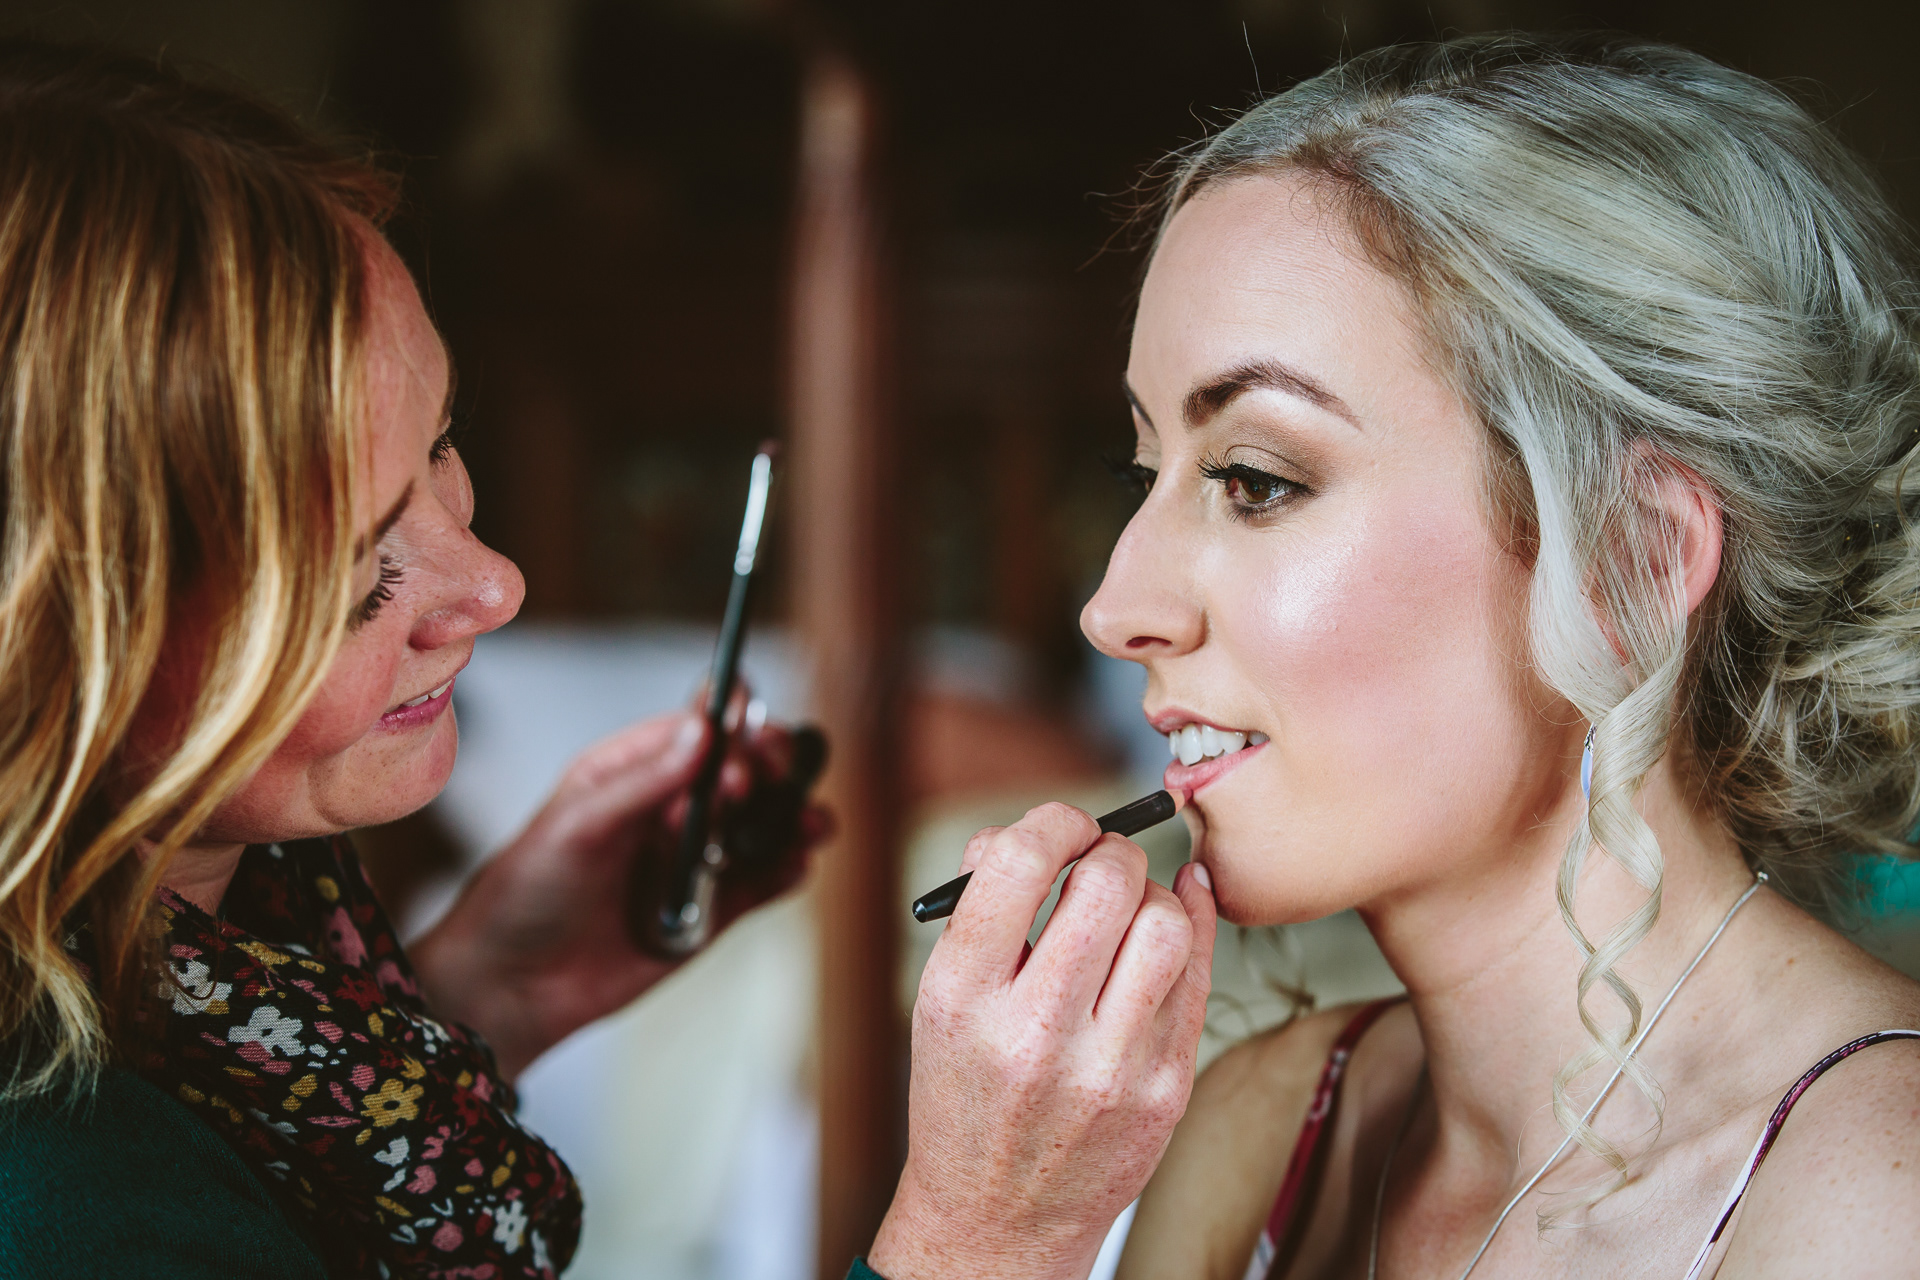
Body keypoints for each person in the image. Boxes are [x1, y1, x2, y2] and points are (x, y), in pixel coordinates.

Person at [857, 33, 1920, 1280]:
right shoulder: (1256, 1130)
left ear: (1628, 560)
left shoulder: (1869, 1195)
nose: (1114, 606)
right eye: (1142, 474)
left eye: (1253, 479)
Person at [0, 41, 824, 1279]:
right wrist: (987, 1236)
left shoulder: (232, 956)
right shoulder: (74, 1203)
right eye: (350, 569)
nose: (494, 585)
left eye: (440, 444)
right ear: (55, 648)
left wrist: (489, 994)